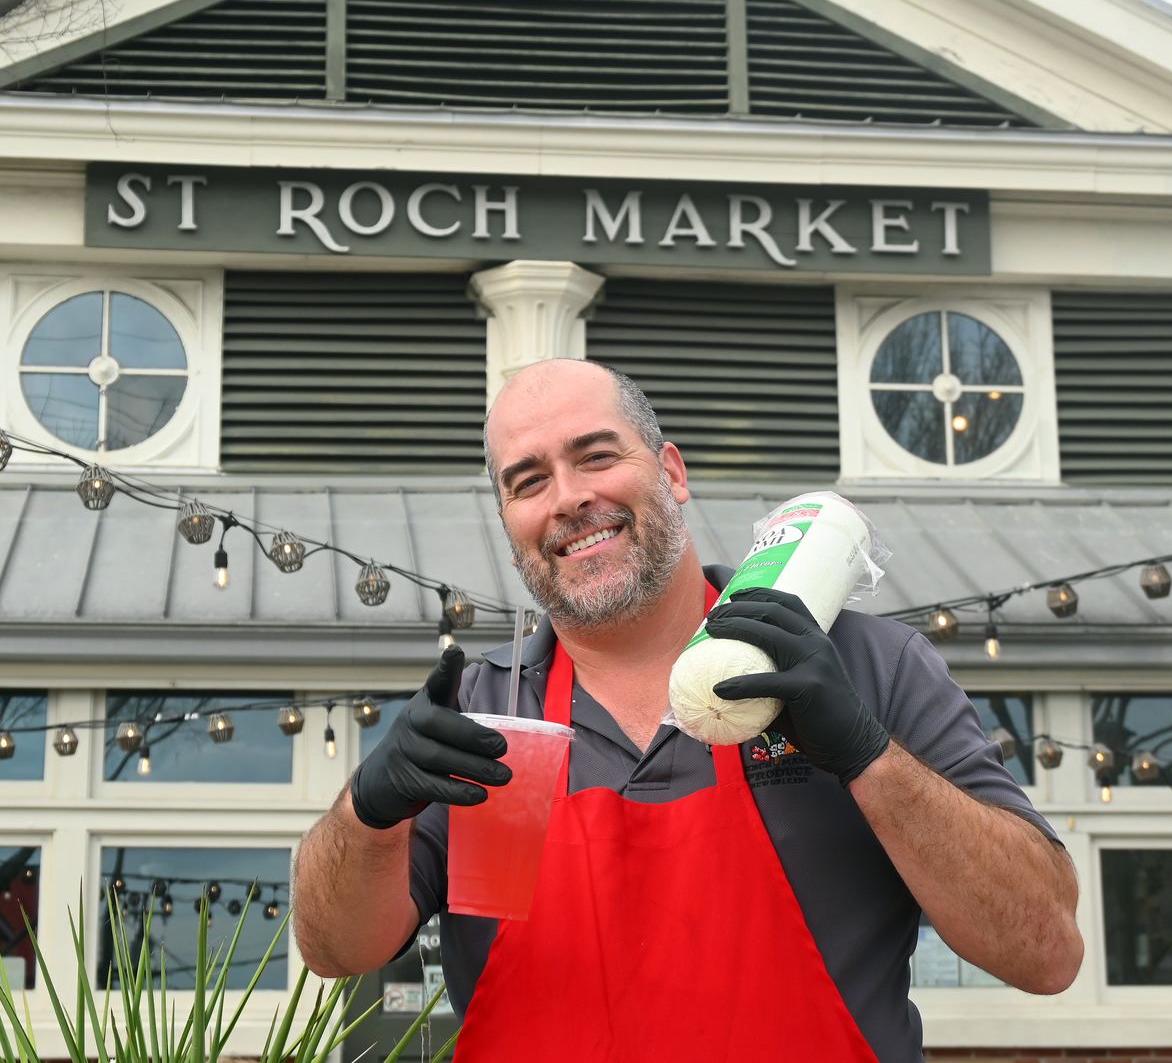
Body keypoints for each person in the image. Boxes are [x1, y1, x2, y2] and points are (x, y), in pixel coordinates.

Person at [294, 359, 1083, 1062]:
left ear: (671, 470)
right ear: (510, 528)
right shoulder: (478, 710)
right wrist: (369, 808)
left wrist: (869, 755)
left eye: (597, 455)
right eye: (527, 481)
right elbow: (334, 948)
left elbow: (1045, 951)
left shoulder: (861, 664)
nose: (569, 497)